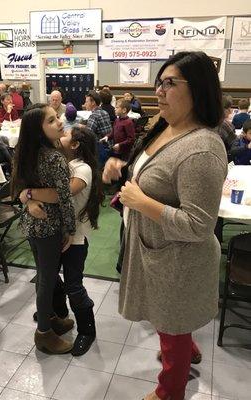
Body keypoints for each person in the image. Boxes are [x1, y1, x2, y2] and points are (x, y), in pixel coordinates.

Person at [103, 51, 227, 400]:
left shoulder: (202, 148)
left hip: (179, 259)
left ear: (198, 89)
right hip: (155, 249)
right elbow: (153, 173)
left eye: (170, 83)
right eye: (159, 82)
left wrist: (144, 204)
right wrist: (122, 168)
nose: (159, 90)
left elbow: (200, 225)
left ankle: (168, 391)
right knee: (167, 318)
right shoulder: (165, 125)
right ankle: (188, 349)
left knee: (171, 320)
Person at [19, 126, 104, 356]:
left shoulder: (83, 168)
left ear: (75, 145)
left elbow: (60, 194)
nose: (60, 134)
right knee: (50, 278)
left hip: (74, 239)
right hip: (58, 234)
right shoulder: (61, 163)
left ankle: (87, 330)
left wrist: (28, 193)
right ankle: (56, 315)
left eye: (66, 134)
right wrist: (28, 198)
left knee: (73, 286)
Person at [11, 103, 76, 354]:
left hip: (31, 225)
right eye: (51, 120)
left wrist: (27, 196)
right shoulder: (54, 157)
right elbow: (64, 196)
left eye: (57, 117)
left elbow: (17, 187)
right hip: (49, 228)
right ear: (38, 131)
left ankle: (49, 317)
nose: (59, 122)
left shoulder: (25, 152)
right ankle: (44, 333)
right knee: (47, 279)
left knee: (44, 275)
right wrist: (69, 228)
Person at [216, 95, 236, 160]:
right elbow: (235, 144)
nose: (231, 111)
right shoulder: (224, 125)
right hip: (227, 159)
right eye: (229, 108)